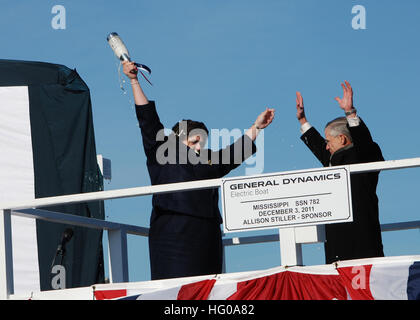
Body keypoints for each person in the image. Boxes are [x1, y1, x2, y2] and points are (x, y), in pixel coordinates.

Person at [122, 61, 275, 280]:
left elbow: (234, 154)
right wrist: (134, 80)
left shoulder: (209, 161)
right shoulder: (161, 152)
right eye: (194, 141)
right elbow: (147, 119)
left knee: (209, 290)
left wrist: (256, 127)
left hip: (207, 234)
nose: (199, 147)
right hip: (173, 234)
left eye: (202, 142)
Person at [295, 80, 384, 264]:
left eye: (329, 141)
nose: (326, 147)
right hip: (336, 245)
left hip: (363, 242)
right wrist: (303, 121)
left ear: (342, 139)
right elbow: (321, 148)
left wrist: (350, 113)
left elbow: (364, 142)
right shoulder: (333, 161)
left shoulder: (364, 156)